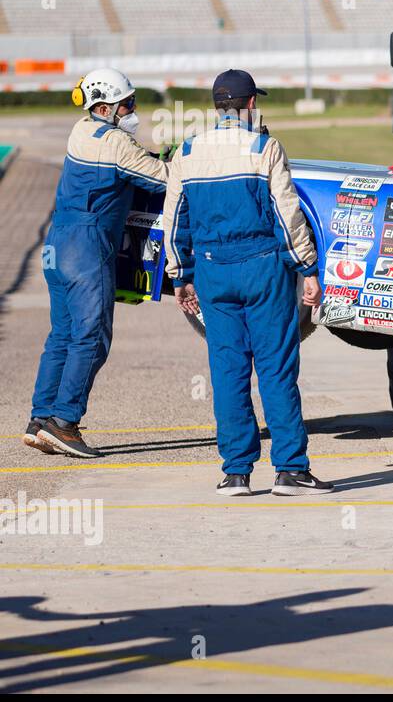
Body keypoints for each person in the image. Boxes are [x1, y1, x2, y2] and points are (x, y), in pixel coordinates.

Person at [161, 70, 330, 496]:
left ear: (219, 106)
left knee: (228, 371)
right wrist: (308, 269)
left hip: (214, 273)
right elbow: (287, 215)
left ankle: (236, 472)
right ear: (251, 104)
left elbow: (174, 220)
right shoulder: (264, 147)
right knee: (276, 368)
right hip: (263, 269)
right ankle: (290, 469)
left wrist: (180, 275)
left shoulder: (187, 151)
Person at [25, 68, 168, 458]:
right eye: (127, 103)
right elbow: (164, 178)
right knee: (91, 339)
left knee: (62, 337)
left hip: (57, 243)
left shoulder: (80, 131)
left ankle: (40, 419)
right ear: (104, 107)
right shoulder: (118, 144)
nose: (133, 109)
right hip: (87, 248)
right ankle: (65, 424)